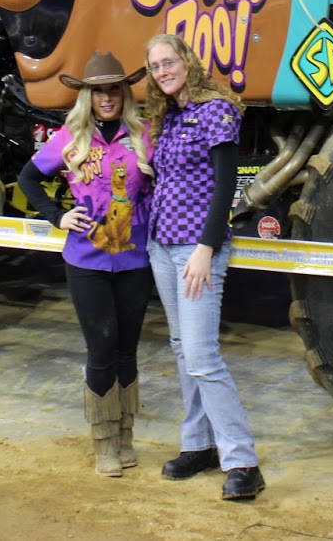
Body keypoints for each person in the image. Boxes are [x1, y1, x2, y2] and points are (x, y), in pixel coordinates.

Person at [15, 51, 154, 478]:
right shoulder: (71, 137)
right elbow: (27, 179)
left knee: (128, 349)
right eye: (99, 91)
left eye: (114, 89)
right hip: (86, 260)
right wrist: (57, 215)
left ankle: (125, 434)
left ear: (124, 92)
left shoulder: (145, 134)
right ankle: (103, 443)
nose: (107, 98)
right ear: (88, 96)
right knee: (102, 348)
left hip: (135, 259)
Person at [142, 33, 265, 501]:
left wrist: (206, 248)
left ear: (187, 61)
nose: (162, 72)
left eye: (168, 62)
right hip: (162, 247)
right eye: (154, 67)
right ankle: (198, 445)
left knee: (201, 357)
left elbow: (226, 186)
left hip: (197, 250)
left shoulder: (215, 111)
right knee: (181, 350)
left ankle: (243, 460)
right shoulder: (167, 118)